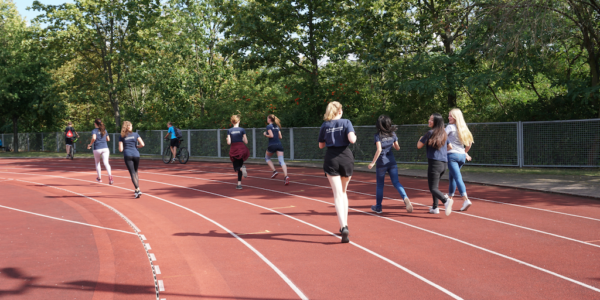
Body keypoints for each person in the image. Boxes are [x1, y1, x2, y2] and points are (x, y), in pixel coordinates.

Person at [318, 101, 357, 243]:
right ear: (339, 111)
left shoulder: (325, 125)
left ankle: (343, 225)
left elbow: (321, 145)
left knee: (337, 194)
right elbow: (352, 140)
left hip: (331, 158)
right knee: (344, 192)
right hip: (346, 157)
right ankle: (344, 225)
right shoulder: (346, 122)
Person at [367, 115, 413, 214]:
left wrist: (372, 162)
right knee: (396, 182)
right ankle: (405, 197)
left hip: (381, 163)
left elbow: (379, 149)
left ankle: (378, 207)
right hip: (392, 162)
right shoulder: (393, 134)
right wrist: (392, 143)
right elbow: (398, 148)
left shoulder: (378, 135)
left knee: (380, 185)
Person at [418, 113, 453, 216]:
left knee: (433, 188)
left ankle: (446, 201)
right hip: (444, 164)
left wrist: (421, 138)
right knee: (435, 187)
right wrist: (441, 152)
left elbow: (419, 145)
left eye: (431, 120)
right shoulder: (444, 134)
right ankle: (435, 207)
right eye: (429, 119)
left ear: (436, 122)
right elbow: (450, 147)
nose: (429, 121)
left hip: (434, 164)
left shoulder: (429, 133)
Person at [447, 108, 474, 211]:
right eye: (449, 115)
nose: (449, 117)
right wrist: (464, 152)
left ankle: (465, 199)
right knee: (452, 177)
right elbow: (469, 143)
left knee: (457, 177)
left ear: (455, 117)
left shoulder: (450, 127)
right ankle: (449, 199)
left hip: (452, 156)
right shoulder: (464, 128)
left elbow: (442, 139)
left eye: (450, 116)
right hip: (461, 157)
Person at [119, 121, 145, 198]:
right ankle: (137, 191)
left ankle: (138, 189)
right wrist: (136, 146)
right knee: (136, 172)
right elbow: (142, 144)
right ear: (129, 127)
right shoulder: (135, 134)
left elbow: (120, 149)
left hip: (128, 155)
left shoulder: (122, 136)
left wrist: (123, 147)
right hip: (136, 154)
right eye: (131, 126)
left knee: (132, 173)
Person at [263, 114, 289, 185]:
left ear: (269, 119)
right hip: (279, 145)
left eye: (267, 118)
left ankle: (274, 171)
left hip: (272, 145)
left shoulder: (268, 126)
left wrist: (265, 134)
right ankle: (286, 176)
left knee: (267, 158)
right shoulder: (277, 126)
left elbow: (271, 136)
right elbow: (280, 137)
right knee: (281, 161)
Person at [87, 119, 113, 185]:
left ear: (95, 124)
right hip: (105, 148)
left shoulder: (94, 130)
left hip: (97, 148)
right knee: (106, 163)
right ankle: (110, 176)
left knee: (97, 163)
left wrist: (90, 144)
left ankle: (99, 178)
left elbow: (94, 138)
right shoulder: (104, 130)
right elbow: (108, 139)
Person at [227, 115, 249, 189]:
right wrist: (242, 138)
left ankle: (242, 170)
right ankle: (239, 184)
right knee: (240, 165)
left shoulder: (229, 130)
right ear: (239, 121)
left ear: (232, 122)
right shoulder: (242, 130)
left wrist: (227, 139)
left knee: (236, 167)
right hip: (241, 149)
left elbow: (229, 143)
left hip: (234, 149)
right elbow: (246, 141)